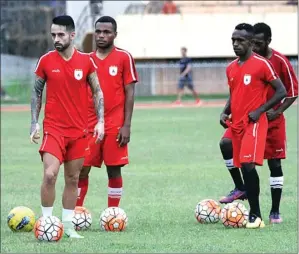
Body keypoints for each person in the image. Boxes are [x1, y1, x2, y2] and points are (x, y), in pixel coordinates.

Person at [30, 15, 104, 238]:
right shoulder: (45, 61)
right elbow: (36, 92)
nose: (56, 39)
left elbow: (97, 91)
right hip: (53, 129)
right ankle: (46, 222)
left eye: (61, 34)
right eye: (53, 34)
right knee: (50, 175)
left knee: (73, 179)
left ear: (72, 35)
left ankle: (68, 226)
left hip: (79, 131)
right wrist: (34, 122)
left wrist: (100, 121)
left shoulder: (86, 62)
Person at [219, 22, 298, 224]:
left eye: (241, 41)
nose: (236, 44)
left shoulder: (266, 63)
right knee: (225, 145)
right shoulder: (230, 68)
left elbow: (285, 91)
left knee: (267, 163)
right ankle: (242, 189)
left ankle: (262, 213)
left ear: (252, 42)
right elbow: (234, 93)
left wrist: (265, 110)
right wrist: (225, 111)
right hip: (237, 122)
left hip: (259, 121)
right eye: (233, 40)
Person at [76, 16, 138, 208]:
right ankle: (76, 211)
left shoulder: (123, 57)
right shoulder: (86, 59)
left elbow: (129, 92)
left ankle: (113, 213)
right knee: (81, 170)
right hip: (89, 123)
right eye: (99, 31)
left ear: (114, 35)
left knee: (114, 170)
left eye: (107, 32)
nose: (102, 35)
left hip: (115, 122)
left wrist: (126, 125)